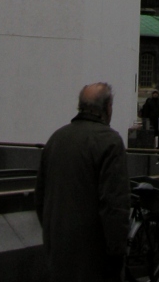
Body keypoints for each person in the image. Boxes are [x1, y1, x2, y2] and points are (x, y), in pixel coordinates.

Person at [34, 83, 130, 282]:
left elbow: (40, 196)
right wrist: (117, 252)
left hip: (58, 251)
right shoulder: (109, 141)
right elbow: (113, 204)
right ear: (107, 108)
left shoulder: (56, 139)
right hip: (94, 256)